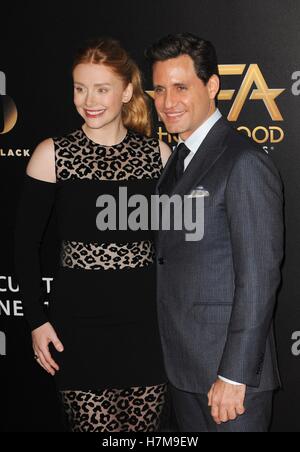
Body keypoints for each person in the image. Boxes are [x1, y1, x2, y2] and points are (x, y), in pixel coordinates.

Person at [14, 37, 171, 432]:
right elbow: (23, 246)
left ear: (127, 91)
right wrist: (37, 320)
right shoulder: (52, 154)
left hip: (145, 331)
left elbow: (178, 245)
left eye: (102, 88)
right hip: (79, 331)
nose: (88, 99)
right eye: (79, 88)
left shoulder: (159, 156)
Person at [146, 33, 284, 432]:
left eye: (181, 87)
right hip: (184, 370)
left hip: (228, 380)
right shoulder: (177, 161)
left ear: (211, 87)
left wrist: (234, 375)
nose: (168, 102)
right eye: (159, 89)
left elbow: (259, 279)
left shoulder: (243, 163)